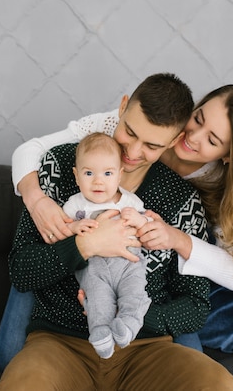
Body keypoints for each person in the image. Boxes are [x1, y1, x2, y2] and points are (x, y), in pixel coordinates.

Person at [0, 83, 233, 371]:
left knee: (201, 374)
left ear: (228, 155)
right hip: (65, 290)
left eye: (212, 140)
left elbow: (231, 277)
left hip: (150, 292)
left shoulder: (209, 190)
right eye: (197, 119)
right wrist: (37, 201)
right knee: (10, 360)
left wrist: (176, 239)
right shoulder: (114, 133)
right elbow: (30, 150)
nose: (192, 136)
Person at [63, 132, 152, 359]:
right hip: (94, 268)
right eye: (89, 173)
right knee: (97, 299)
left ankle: (128, 324)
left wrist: (140, 220)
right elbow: (60, 232)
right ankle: (101, 335)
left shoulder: (130, 202)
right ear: (76, 176)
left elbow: (150, 233)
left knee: (134, 293)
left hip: (129, 265)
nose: (98, 181)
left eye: (108, 173)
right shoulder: (74, 205)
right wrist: (74, 228)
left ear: (119, 175)